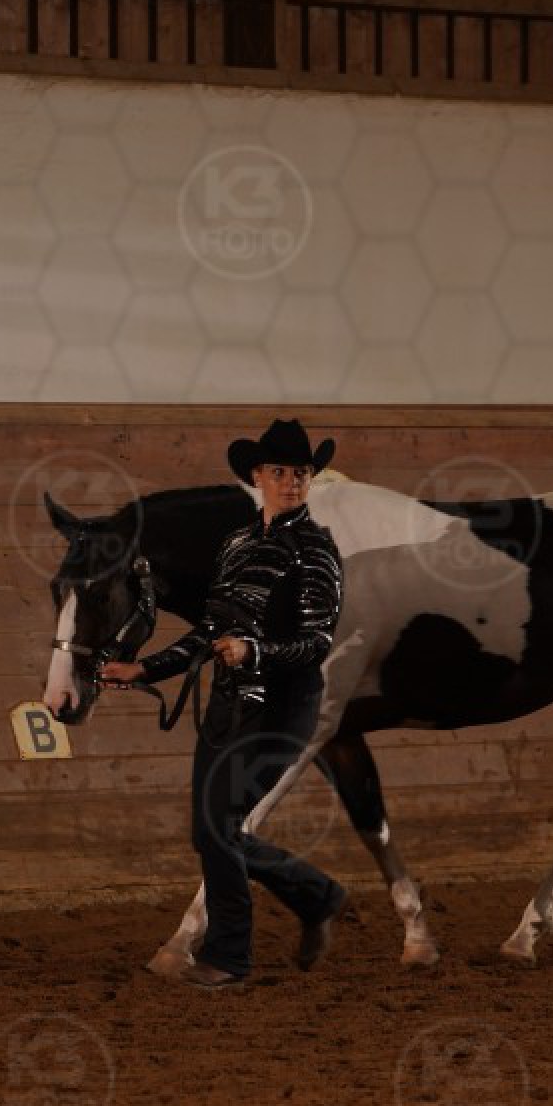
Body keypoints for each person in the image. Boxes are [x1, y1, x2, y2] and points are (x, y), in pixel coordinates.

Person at [100, 419, 348, 989]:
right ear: (257, 477)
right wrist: (146, 668)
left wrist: (253, 649)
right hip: (227, 710)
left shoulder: (316, 551)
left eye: (301, 473)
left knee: (218, 829)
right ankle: (316, 895)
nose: (291, 482)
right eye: (279, 472)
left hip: (283, 708)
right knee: (210, 833)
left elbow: (317, 642)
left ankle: (229, 956)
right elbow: (210, 630)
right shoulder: (237, 545)